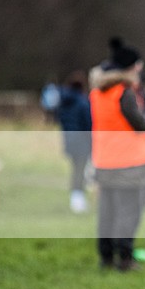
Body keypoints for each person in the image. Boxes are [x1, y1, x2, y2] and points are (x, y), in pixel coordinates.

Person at [89, 37, 145, 272]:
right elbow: (139, 123)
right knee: (128, 212)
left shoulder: (97, 92)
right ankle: (126, 258)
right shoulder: (124, 93)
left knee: (107, 212)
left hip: (104, 159)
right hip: (129, 161)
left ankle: (106, 256)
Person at [56, 70, 93, 213]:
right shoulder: (82, 103)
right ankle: (78, 199)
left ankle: (76, 197)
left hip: (69, 140)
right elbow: (88, 124)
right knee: (80, 170)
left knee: (76, 169)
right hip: (82, 141)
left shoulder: (64, 102)